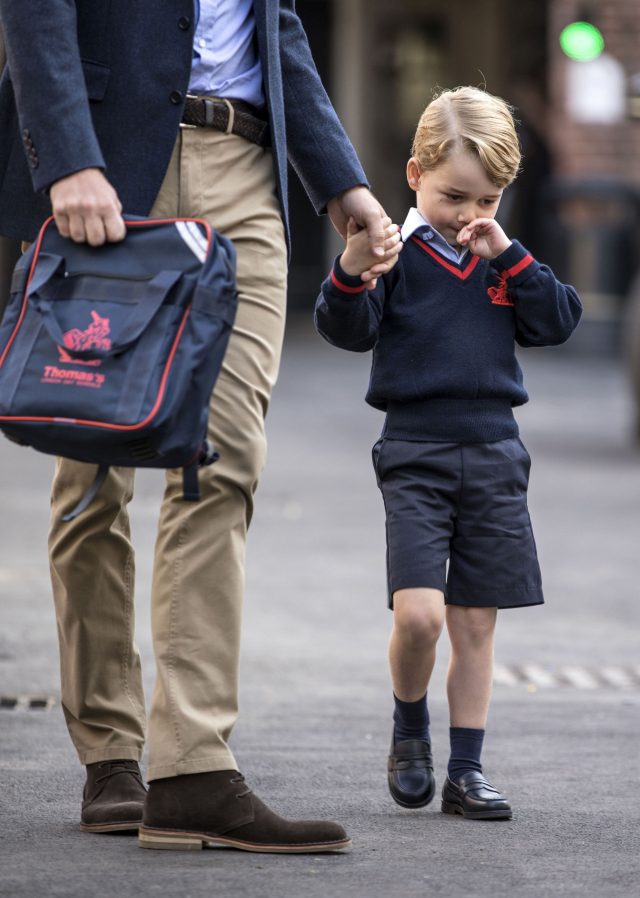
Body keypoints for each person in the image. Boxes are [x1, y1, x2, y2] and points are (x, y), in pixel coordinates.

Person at [0, 1, 401, 852]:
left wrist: (340, 180)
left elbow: (276, 25)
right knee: (95, 470)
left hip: (246, 173)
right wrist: (68, 156)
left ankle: (191, 767)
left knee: (223, 460)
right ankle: (111, 752)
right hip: (113, 165)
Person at [315, 86, 582, 820]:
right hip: (415, 451)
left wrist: (513, 255)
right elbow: (346, 328)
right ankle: (409, 731)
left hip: (496, 453)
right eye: (455, 196)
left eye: (489, 201)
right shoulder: (395, 256)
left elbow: (560, 321)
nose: (471, 215)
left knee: (474, 623)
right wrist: (351, 266)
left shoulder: (502, 259)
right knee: (422, 617)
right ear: (414, 176)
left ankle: (466, 771)